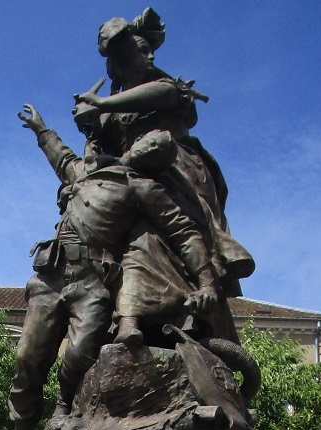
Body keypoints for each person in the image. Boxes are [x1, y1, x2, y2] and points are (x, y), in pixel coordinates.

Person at [9, 104, 216, 430]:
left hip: (92, 283)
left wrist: (206, 281)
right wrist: (40, 129)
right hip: (52, 274)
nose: (145, 146)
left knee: (78, 355)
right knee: (27, 358)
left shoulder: (143, 187)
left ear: (156, 161)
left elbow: (184, 232)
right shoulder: (87, 170)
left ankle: (63, 406)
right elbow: (61, 158)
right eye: (146, 141)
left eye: (155, 148)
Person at [72, 7, 254, 342]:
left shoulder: (167, 88)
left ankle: (200, 299)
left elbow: (163, 93)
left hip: (175, 167)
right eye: (142, 50)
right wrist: (90, 132)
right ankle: (128, 317)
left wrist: (101, 105)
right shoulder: (110, 107)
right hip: (131, 176)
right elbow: (94, 160)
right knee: (132, 240)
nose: (151, 54)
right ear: (123, 59)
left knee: (182, 234)